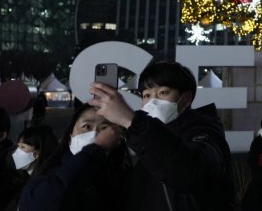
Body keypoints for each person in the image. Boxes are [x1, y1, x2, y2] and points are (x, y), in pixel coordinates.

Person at [89, 60, 235, 210]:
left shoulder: (204, 133)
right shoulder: (144, 140)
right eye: (146, 95)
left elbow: (189, 172)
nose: (153, 101)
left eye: (163, 93)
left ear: (186, 99)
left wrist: (131, 120)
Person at [16, 106, 127, 210]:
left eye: (104, 129)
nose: (94, 135)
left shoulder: (121, 178)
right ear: (70, 135)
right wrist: (96, 149)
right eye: (86, 126)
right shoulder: (48, 175)